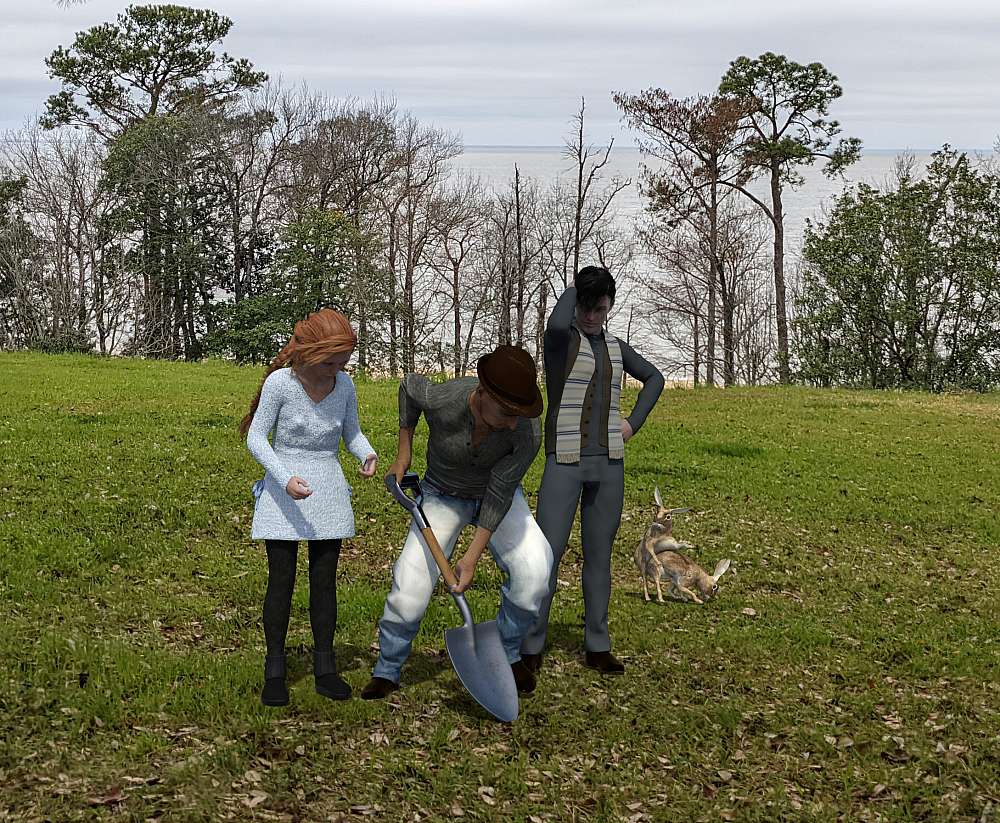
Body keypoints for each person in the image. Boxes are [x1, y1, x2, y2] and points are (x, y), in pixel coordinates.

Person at [361, 345, 553, 700]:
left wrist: (471, 557)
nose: (514, 422)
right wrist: (403, 453)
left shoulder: (526, 430)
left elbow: (500, 492)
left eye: (519, 414)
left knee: (535, 570)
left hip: (498, 497)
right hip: (441, 493)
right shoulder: (446, 399)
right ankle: (388, 667)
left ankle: (506, 652)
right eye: (506, 412)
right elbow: (408, 387)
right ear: (482, 393)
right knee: (410, 582)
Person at [521, 266, 664, 676]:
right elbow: (554, 321)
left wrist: (632, 423)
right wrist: (579, 286)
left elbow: (655, 377)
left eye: (600, 309)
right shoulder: (561, 342)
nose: (591, 317)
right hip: (563, 461)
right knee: (547, 555)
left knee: (599, 555)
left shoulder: (617, 347)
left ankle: (597, 644)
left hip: (609, 464)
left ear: (609, 308)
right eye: (585, 308)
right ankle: (531, 643)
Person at [241, 308, 378, 707]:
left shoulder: (345, 385)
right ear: (311, 353)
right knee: (280, 580)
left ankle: (325, 667)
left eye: (343, 362)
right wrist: (284, 478)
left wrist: (365, 454)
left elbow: (350, 431)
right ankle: (275, 670)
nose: (338, 369)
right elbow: (256, 438)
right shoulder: (281, 384)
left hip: (328, 488)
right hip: (285, 490)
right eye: (332, 361)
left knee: (324, 582)